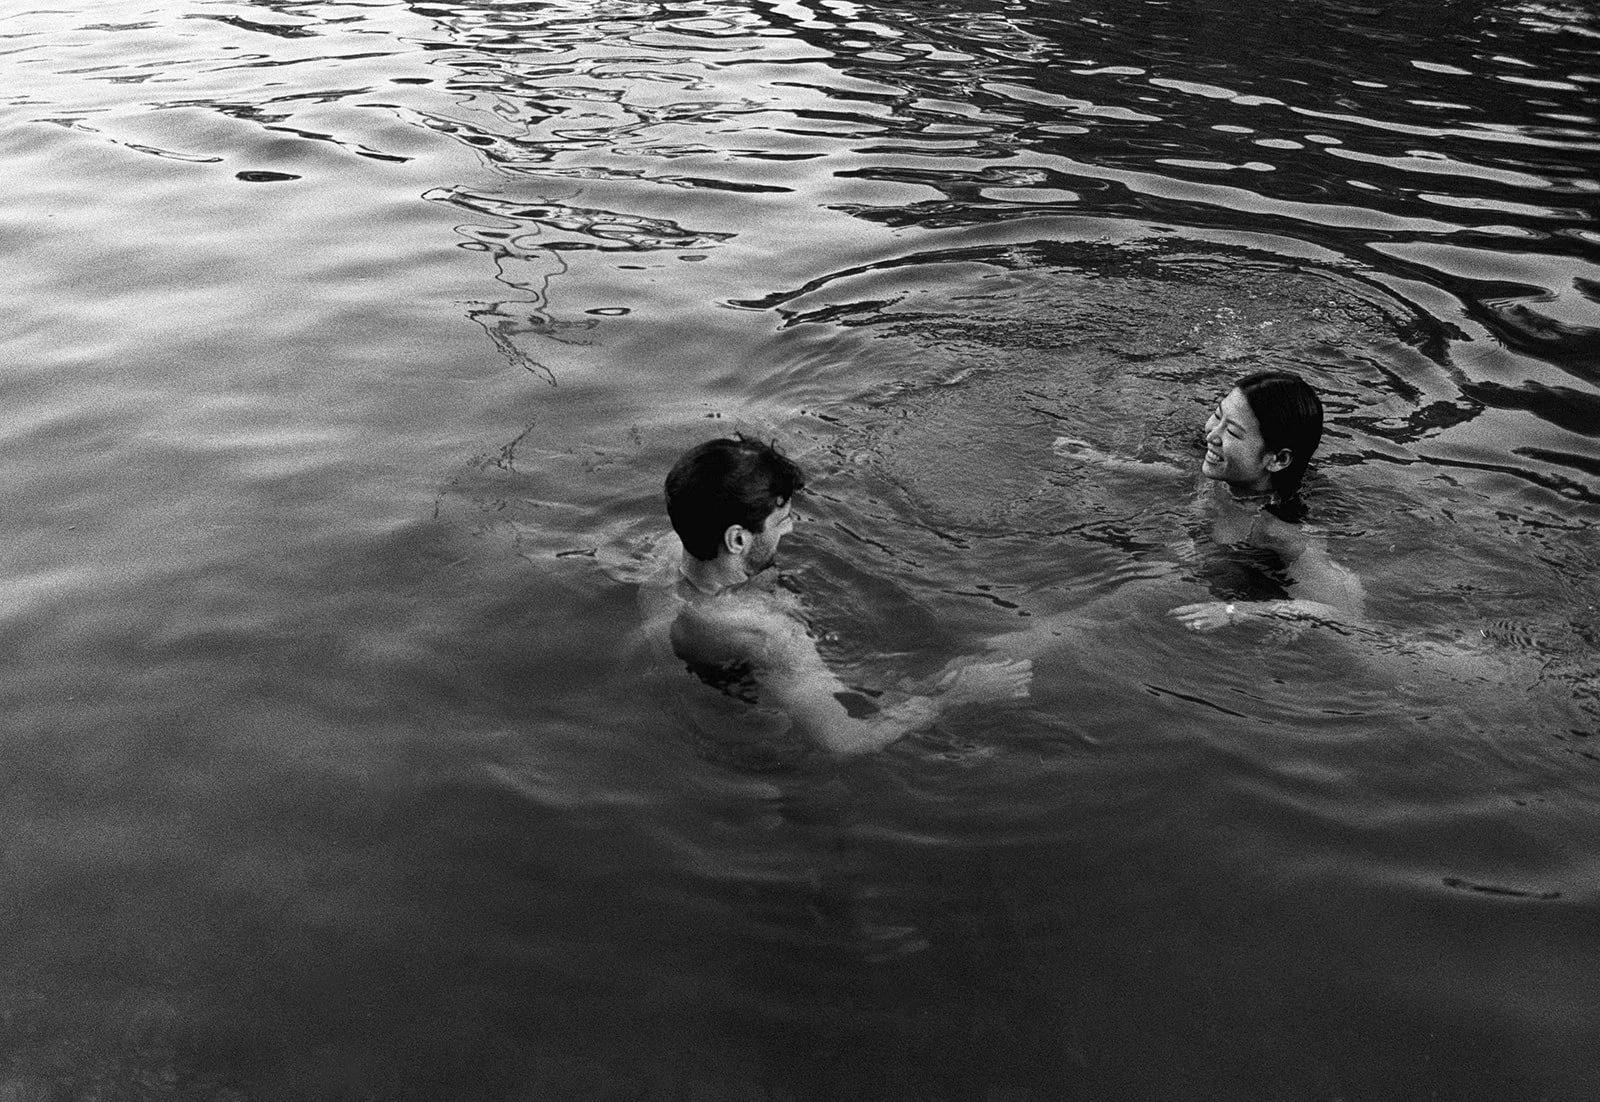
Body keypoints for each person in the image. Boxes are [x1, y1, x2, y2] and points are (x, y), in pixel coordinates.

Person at [638, 435, 1031, 756]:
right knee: (985, 665)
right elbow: (844, 741)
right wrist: (954, 697)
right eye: (781, 521)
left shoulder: (664, 561)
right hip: (771, 758)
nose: (790, 530)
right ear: (737, 539)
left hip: (717, 719)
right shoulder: (763, 632)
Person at [1168, 370, 1364, 632]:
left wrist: (1237, 612)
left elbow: (1342, 615)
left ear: (1278, 460)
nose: (1211, 436)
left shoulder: (1279, 531)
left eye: (1232, 432)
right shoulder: (1224, 472)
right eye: (1217, 415)